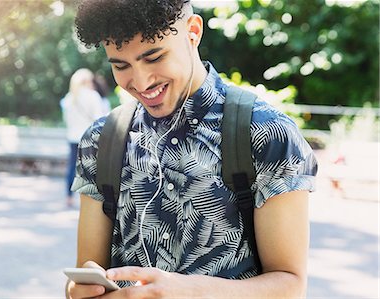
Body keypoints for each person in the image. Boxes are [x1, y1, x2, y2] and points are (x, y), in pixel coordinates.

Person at [67, 1, 318, 298]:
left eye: (154, 57)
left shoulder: (266, 133)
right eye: (121, 65)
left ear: (193, 32)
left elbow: (290, 286)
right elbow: (86, 273)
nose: (141, 82)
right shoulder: (101, 140)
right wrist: (79, 289)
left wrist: (190, 291)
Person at [60, 68, 107, 207]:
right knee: (89, 169)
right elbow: (99, 119)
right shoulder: (93, 96)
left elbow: (66, 120)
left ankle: (69, 197)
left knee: (71, 168)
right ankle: (89, 201)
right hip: (88, 138)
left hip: (73, 137)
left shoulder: (68, 98)